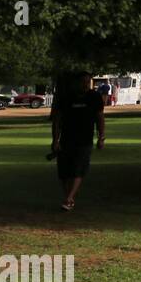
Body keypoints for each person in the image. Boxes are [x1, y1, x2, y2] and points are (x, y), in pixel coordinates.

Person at [51, 72, 105, 211]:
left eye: (88, 82)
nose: (85, 85)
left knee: (78, 170)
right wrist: (55, 140)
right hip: (66, 140)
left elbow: (100, 118)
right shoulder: (66, 97)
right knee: (64, 172)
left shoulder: (94, 97)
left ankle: (69, 199)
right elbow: (57, 121)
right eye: (82, 82)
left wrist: (101, 137)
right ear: (75, 83)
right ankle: (69, 197)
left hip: (85, 140)